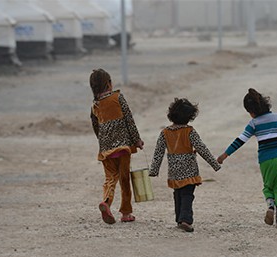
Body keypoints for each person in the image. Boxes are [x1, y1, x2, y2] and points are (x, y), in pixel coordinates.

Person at [217, 88, 277, 228]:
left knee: (268, 186)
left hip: (264, 160)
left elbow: (240, 140)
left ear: (252, 111)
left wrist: (225, 155)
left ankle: (270, 206)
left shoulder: (254, 123)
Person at [149, 98, 221, 232]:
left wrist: (154, 169)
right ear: (189, 117)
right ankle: (186, 220)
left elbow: (158, 152)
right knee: (187, 194)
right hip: (189, 171)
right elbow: (201, 148)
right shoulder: (190, 131)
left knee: (178, 194)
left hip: (174, 172)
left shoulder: (165, 132)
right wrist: (214, 164)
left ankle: (179, 219)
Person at [89, 68, 144, 224]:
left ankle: (106, 202)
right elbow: (129, 120)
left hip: (106, 150)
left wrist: (104, 142)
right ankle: (126, 213)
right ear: (109, 84)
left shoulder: (95, 106)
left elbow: (96, 128)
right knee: (124, 180)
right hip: (123, 148)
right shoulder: (118, 98)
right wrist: (137, 140)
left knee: (110, 179)